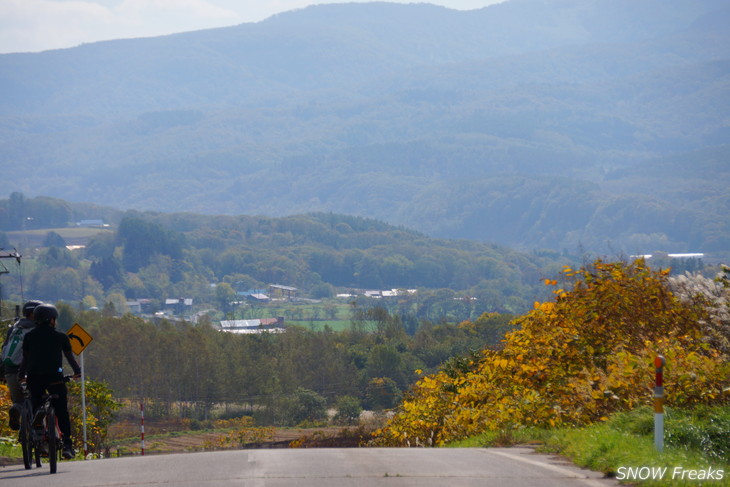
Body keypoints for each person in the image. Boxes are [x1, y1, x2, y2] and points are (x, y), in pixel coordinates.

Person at [19, 304, 81, 460]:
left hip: (34, 378)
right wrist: (77, 372)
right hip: (55, 379)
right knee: (62, 411)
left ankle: (38, 429)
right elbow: (70, 358)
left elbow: (25, 360)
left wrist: (21, 376)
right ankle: (67, 444)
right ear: (52, 320)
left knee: (36, 402)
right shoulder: (60, 336)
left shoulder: (29, 337)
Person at [1, 300, 42, 430]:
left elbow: (4, 349)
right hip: (30, 370)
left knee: (18, 401)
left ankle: (16, 409)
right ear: (34, 314)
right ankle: (38, 429)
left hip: (10, 371)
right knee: (38, 398)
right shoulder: (38, 328)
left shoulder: (13, 329)